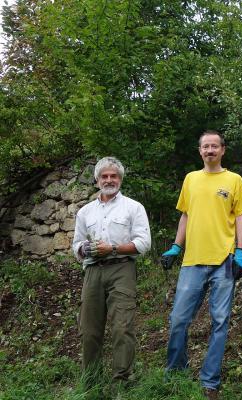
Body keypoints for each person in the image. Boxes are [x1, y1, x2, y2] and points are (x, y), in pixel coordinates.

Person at [162, 130, 242, 399]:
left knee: (220, 321)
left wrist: (241, 251)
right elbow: (186, 215)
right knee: (178, 319)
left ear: (223, 150)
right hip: (192, 262)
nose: (210, 150)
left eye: (214, 146)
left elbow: (240, 217)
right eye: (205, 146)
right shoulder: (191, 179)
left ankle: (209, 380)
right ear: (199, 151)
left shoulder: (234, 180)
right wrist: (177, 247)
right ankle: (176, 370)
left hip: (223, 260)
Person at [72, 156, 151, 385]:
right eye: (104, 176)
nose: (109, 180)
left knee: (122, 327)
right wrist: (84, 249)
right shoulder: (85, 212)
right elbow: (76, 245)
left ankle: (121, 382)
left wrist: (113, 248)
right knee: (89, 330)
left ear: (120, 179)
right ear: (97, 180)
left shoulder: (134, 207)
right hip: (93, 271)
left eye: (113, 176)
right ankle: (91, 382)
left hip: (122, 269)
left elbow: (144, 244)